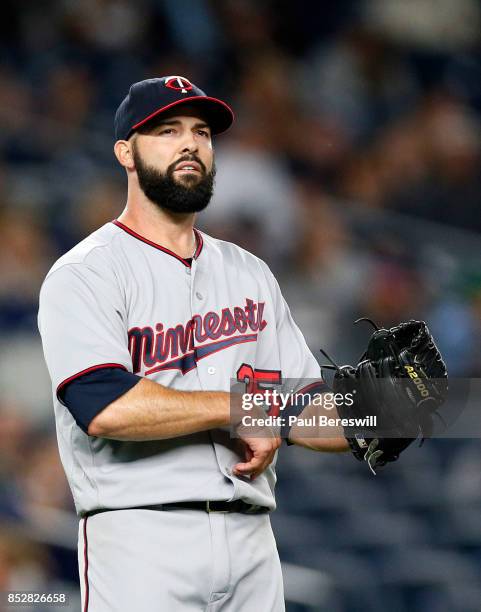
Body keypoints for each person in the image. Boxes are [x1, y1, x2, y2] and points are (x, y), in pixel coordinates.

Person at [38, 75, 348, 612]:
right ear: (125, 153)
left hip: (252, 540)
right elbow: (104, 406)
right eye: (166, 129)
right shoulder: (87, 273)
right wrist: (240, 410)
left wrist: (387, 415)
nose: (190, 143)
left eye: (202, 132)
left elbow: (299, 408)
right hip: (141, 538)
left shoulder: (249, 272)